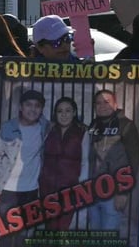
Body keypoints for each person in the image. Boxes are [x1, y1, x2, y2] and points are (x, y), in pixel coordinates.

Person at [0, 89, 50, 247]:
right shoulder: (8, 127)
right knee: (6, 233)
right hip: (8, 190)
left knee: (24, 234)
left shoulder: (44, 126)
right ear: (20, 107)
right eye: (28, 105)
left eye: (37, 106)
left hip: (31, 190)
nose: (32, 109)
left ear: (41, 109)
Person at [87, 90, 139, 234]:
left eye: (106, 102)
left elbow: (134, 160)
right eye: (98, 103)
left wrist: (123, 193)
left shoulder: (126, 125)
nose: (102, 106)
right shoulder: (93, 125)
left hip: (113, 193)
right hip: (92, 191)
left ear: (115, 104)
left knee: (108, 239)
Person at [39, 97, 89, 230]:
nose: (64, 114)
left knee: (63, 227)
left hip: (70, 188)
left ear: (74, 113)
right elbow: (40, 157)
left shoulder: (82, 133)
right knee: (49, 226)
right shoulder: (48, 130)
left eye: (68, 110)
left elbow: (85, 161)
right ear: (55, 114)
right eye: (60, 111)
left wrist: (81, 185)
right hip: (47, 187)